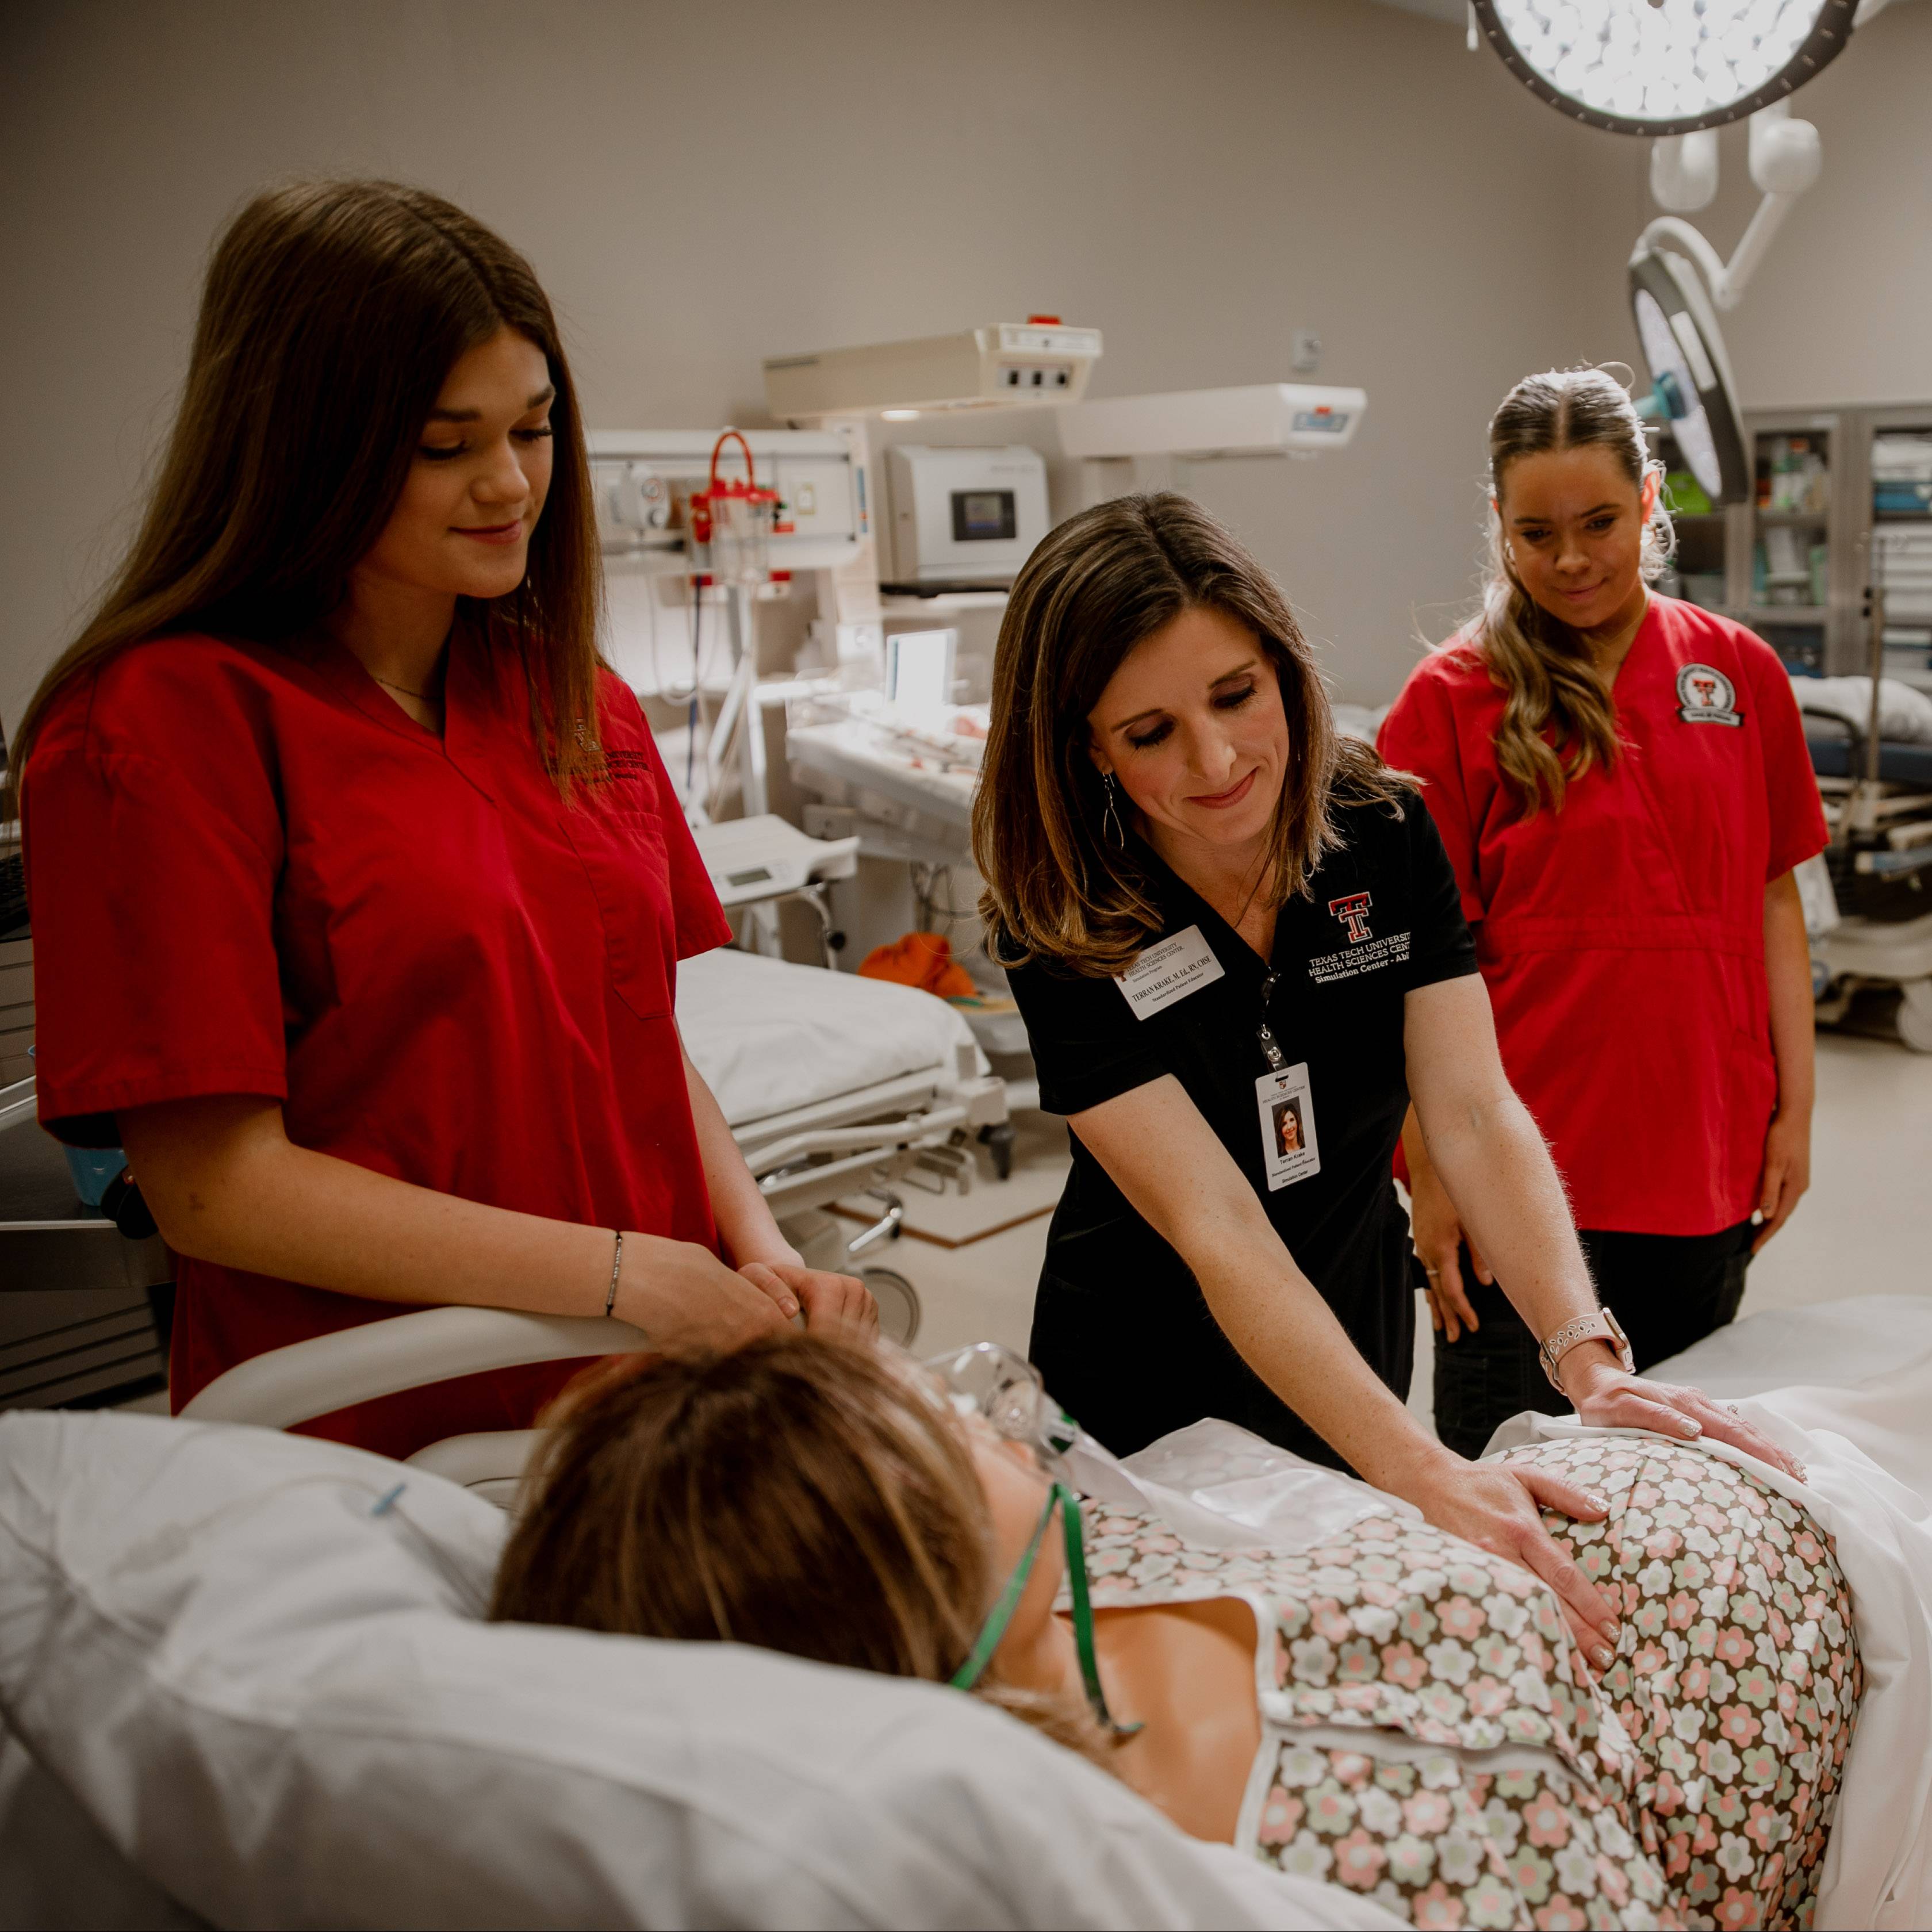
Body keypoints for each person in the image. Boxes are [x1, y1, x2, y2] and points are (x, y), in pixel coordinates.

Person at [10, 181, 872, 1460]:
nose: (509, 484)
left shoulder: (578, 703)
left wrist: (755, 1244)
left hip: (633, 1395)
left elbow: (629, 1030)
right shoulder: (155, 729)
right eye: (443, 445)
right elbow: (214, 1187)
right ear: (306, 446)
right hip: (367, 1420)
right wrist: (628, 1277)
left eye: (534, 428)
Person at [968, 491, 1799, 1639]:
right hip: (1142, 1378)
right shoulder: (1065, 917)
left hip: (1347, 1335)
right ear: (1087, 748)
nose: (1217, 762)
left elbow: (1472, 1110)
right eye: (1151, 734)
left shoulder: (1379, 829)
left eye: (1235, 695)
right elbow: (1217, 1227)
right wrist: (1419, 1465)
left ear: (1281, 667)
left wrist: (1585, 1356)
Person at [493, 1333, 1861, 1928]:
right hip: (1827, 1616)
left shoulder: (1089, 1557)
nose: (979, 1408)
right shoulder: (1349, 1853)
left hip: (1637, 1467)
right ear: (902, 1578)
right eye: (935, 1420)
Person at [1378, 370, 1827, 1460]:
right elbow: (1404, 972)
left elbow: (1772, 900)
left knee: (1688, 1487)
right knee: (1522, 1494)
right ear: (1499, 526)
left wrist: (1794, 1113)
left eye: (1599, 524)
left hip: (1700, 1157)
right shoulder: (1450, 700)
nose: (1571, 559)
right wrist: (1427, 1171)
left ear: (1650, 503)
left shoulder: (1738, 675)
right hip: (1517, 1184)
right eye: (1536, 533)